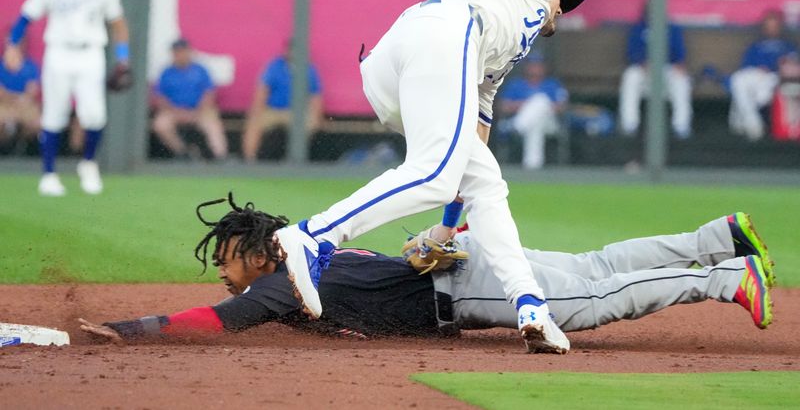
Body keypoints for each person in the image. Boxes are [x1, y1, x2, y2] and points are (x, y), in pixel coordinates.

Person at [274, 0, 587, 354]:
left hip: (402, 65)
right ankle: (312, 236)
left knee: (486, 184)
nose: (562, 6)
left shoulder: (508, 49)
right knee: (434, 174)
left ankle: (530, 305)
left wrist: (444, 230)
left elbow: (473, 138)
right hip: (442, 33)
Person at [78, 197, 775, 347]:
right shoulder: (309, 258)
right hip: (451, 268)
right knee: (597, 265)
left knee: (589, 301)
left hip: (459, 286)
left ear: (257, 252)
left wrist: (131, 328)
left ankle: (725, 278)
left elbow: (219, 320)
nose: (222, 269)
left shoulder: (279, 279)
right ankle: (719, 237)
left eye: (227, 255)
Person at [4, 0, 130, 196]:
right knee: (54, 114)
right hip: (59, 53)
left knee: (94, 114)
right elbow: (26, 16)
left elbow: (118, 23)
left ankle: (88, 163)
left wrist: (122, 57)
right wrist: (12, 45)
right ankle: (49, 174)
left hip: (90, 53)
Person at [241, 40, 323, 162]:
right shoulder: (274, 67)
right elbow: (262, 92)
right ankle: (249, 160)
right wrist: (256, 112)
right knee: (254, 123)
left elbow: (316, 98)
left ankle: (296, 160)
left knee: (309, 124)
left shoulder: (309, 70)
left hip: (297, 114)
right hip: (273, 111)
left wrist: (316, 116)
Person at [618, 6, 692, 139]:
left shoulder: (673, 29)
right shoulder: (639, 28)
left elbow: (680, 55)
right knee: (630, 76)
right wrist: (642, 62)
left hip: (666, 69)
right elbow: (631, 53)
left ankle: (681, 126)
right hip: (644, 70)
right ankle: (630, 124)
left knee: (682, 80)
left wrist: (679, 65)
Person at [152, 38, 228, 160]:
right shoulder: (166, 72)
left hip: (199, 111)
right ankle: (183, 152)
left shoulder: (200, 70)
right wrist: (176, 112)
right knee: (161, 125)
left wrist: (197, 112)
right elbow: (160, 97)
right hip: (174, 112)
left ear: (189, 52)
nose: (180, 54)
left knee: (212, 124)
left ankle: (220, 156)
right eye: (177, 52)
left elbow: (209, 94)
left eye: (182, 51)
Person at [729, 10, 797, 141]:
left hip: (775, 78)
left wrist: (775, 67)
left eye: (774, 25)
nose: (771, 29)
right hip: (755, 76)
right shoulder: (756, 45)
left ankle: (745, 121)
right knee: (738, 80)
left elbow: (793, 66)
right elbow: (745, 66)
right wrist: (758, 68)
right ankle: (753, 125)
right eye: (769, 25)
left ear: (780, 26)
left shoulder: (788, 46)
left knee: (758, 96)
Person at [498, 54, 568, 169]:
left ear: (544, 68)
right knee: (535, 124)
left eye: (538, 66)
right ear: (526, 67)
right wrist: (526, 106)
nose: (535, 68)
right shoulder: (516, 84)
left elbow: (562, 107)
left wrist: (535, 105)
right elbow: (503, 106)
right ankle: (532, 166)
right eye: (532, 65)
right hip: (533, 122)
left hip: (550, 123)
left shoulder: (552, 84)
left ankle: (517, 126)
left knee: (540, 100)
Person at [0, 36, 40, 148]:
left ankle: (24, 147)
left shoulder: (31, 67)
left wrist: (14, 98)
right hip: (4, 106)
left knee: (36, 123)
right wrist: (15, 98)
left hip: (25, 106)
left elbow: (31, 92)